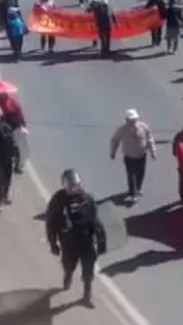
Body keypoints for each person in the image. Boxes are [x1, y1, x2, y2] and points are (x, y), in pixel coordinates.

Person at [45, 169, 108, 306]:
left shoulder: (87, 198)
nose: (76, 189)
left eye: (78, 185)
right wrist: (53, 243)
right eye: (72, 186)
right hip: (69, 242)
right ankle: (68, 275)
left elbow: (95, 219)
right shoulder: (58, 201)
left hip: (87, 240)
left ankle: (87, 296)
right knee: (69, 265)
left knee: (88, 268)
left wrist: (101, 239)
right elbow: (50, 223)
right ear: (66, 186)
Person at [110, 108, 156, 201]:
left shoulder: (143, 127)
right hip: (129, 156)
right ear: (126, 120)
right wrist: (113, 152)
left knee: (141, 173)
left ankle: (138, 188)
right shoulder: (122, 129)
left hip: (141, 155)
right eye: (130, 120)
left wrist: (153, 152)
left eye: (134, 119)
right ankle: (132, 193)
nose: (132, 122)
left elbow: (150, 139)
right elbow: (115, 141)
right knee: (131, 175)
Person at [0, 93, 27, 173]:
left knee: (16, 146)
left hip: (14, 126)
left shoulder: (10, 103)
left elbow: (18, 113)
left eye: (2, 95)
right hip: (4, 127)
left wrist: (22, 123)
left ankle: (17, 166)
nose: (0, 96)